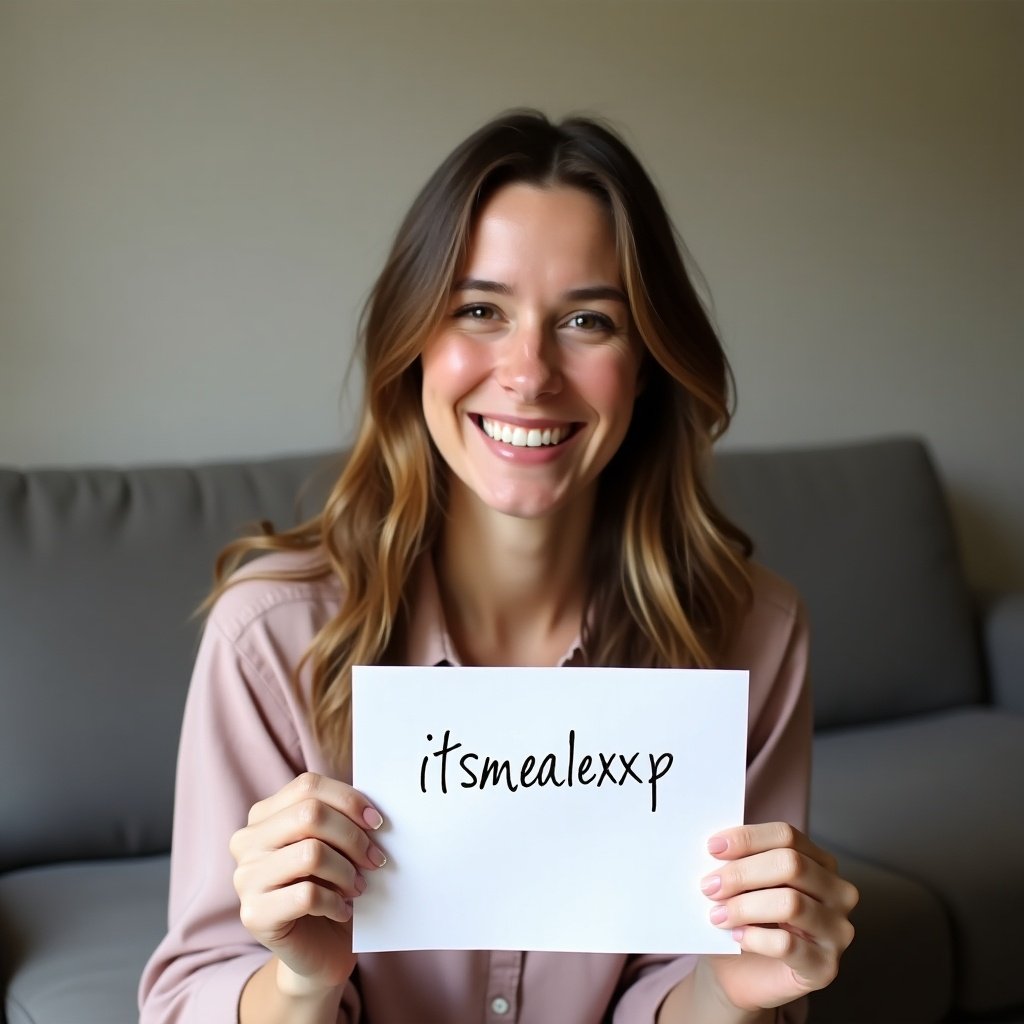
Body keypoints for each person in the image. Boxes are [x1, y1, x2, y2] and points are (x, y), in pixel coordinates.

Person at [139, 109, 857, 1024]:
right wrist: (299, 984)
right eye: (480, 310)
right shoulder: (269, 636)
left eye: (589, 320)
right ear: (413, 346)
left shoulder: (755, 632)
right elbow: (189, 991)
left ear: (646, 365)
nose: (529, 372)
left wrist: (734, 989)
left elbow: (691, 984)